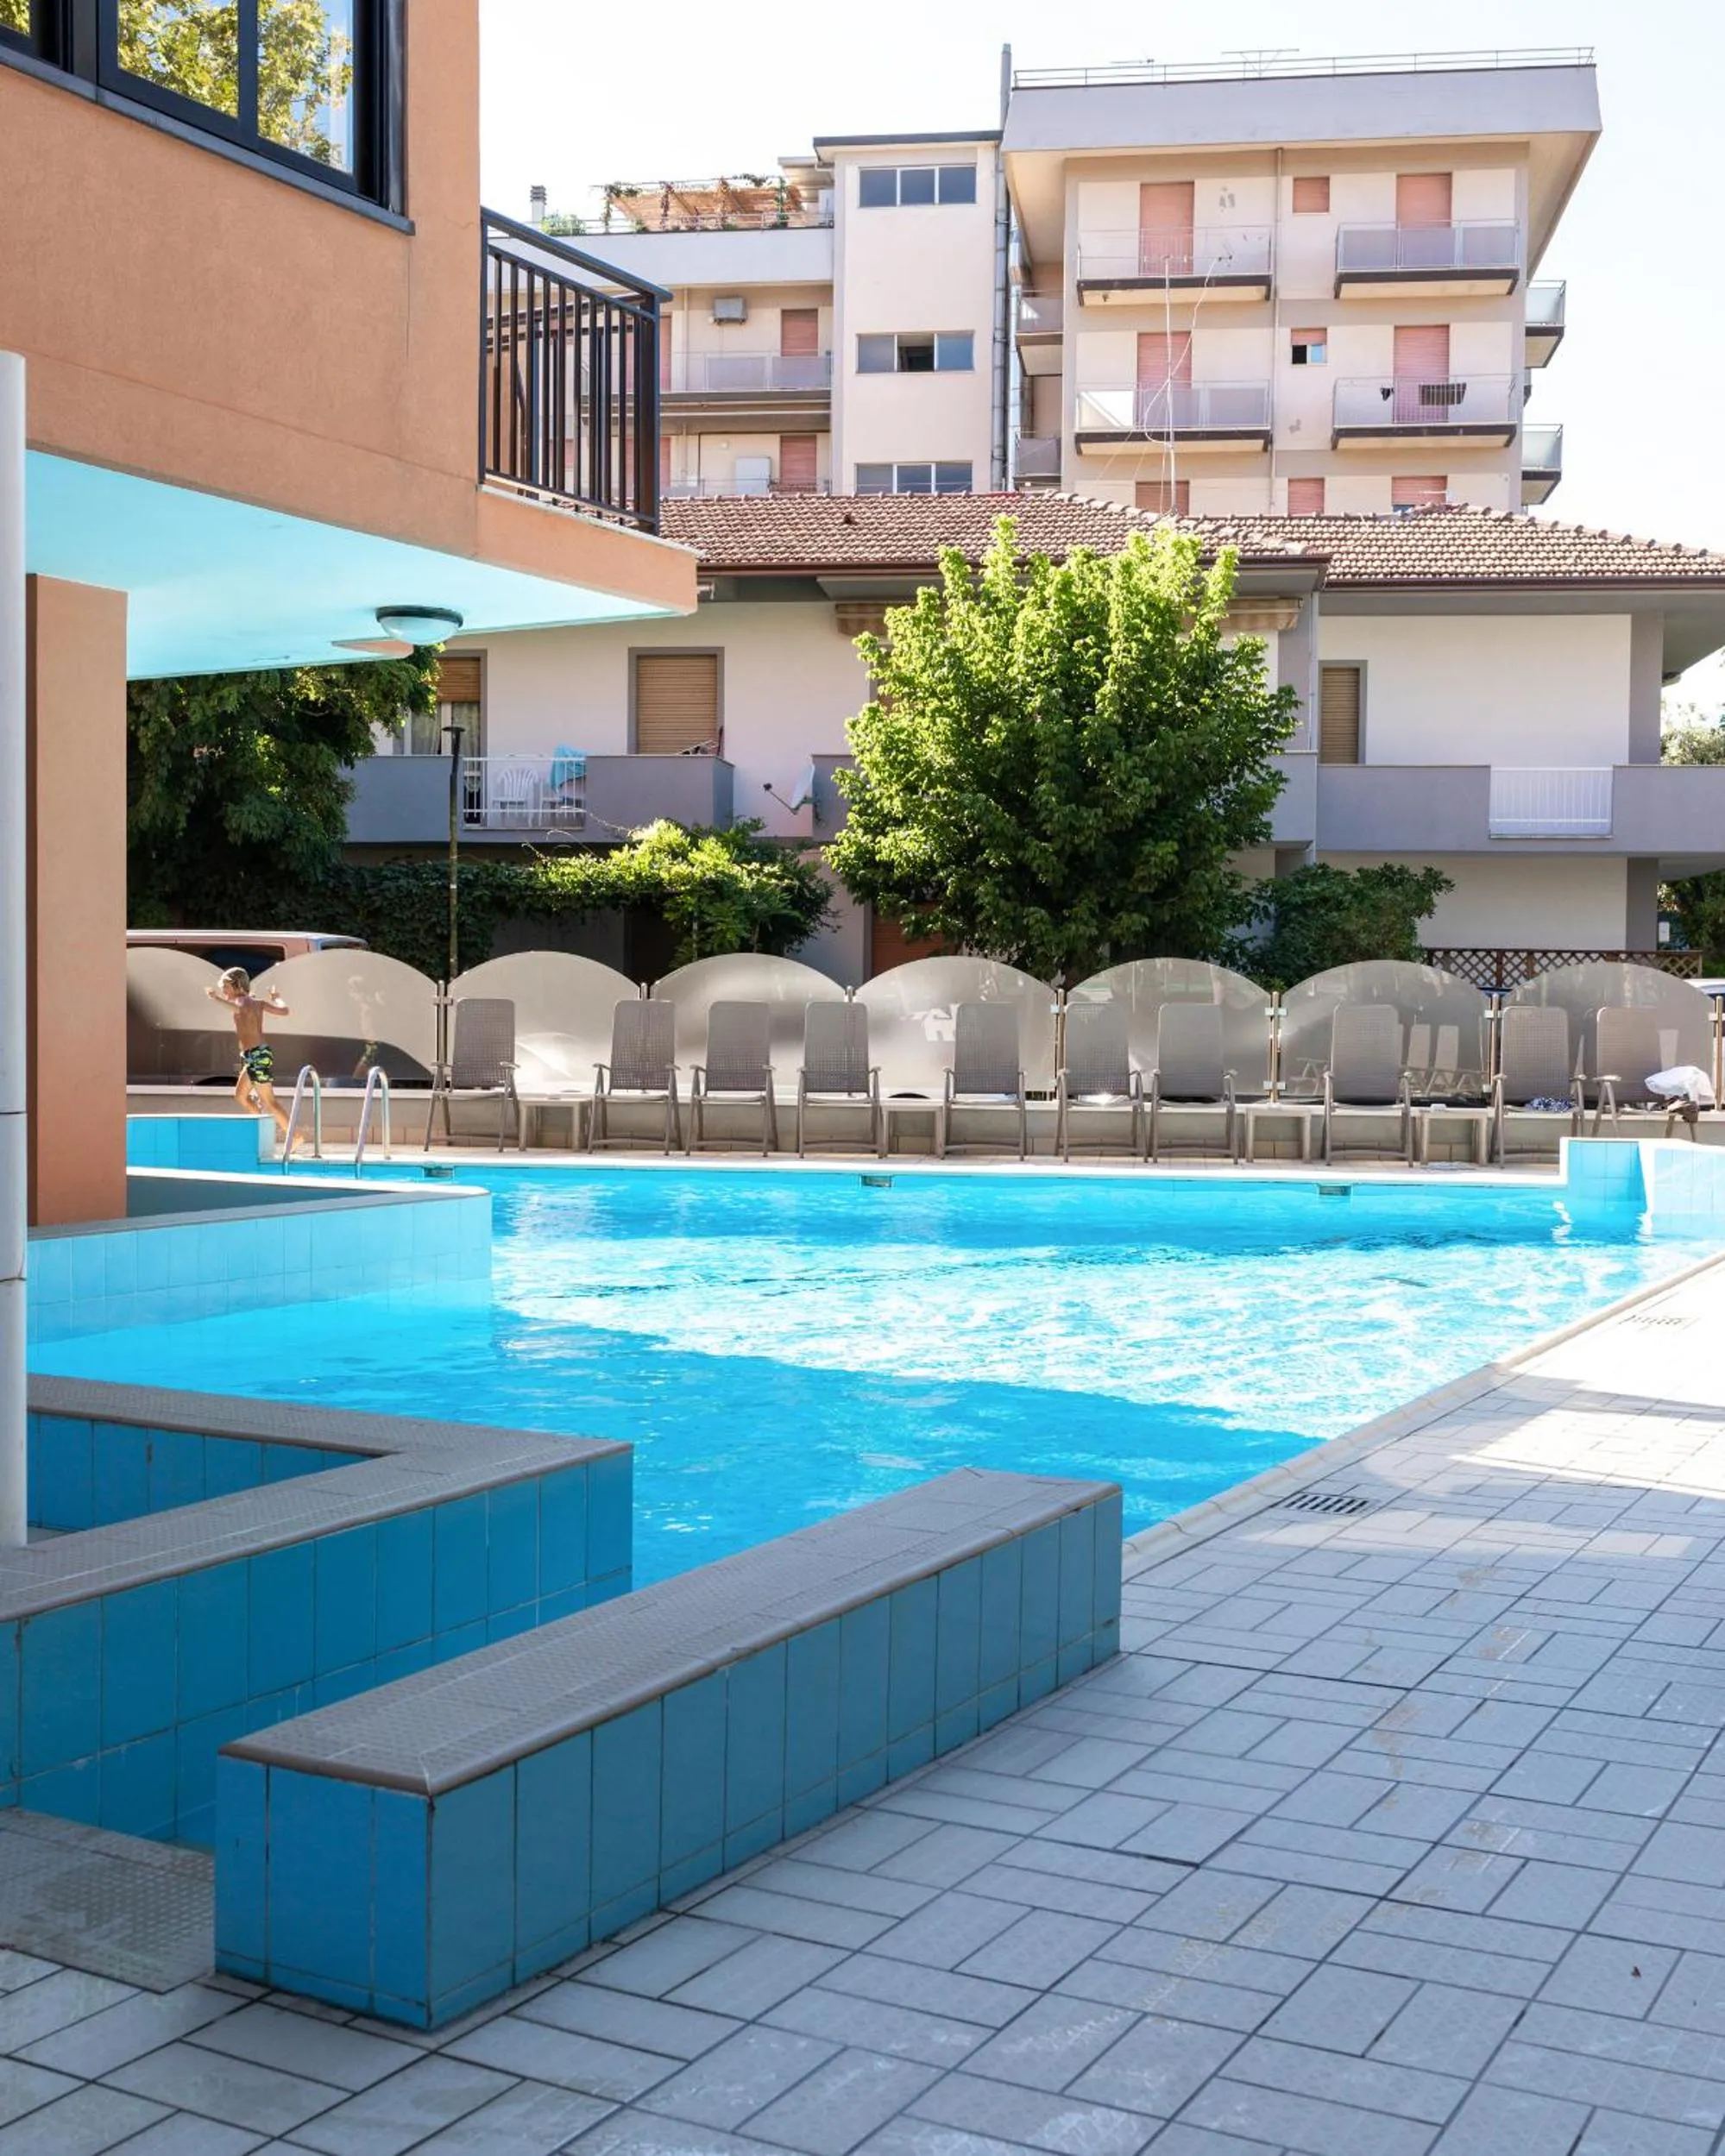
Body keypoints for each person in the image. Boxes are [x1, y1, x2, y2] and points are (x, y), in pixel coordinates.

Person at [207, 967, 298, 1149]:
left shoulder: (243, 1002)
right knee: (241, 1096)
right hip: (254, 1055)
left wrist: (215, 999)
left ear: (237, 985)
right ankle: (258, 1131)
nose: (224, 991)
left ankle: (294, 1137)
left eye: (225, 987)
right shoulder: (257, 1002)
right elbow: (285, 1010)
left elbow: (238, 1008)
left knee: (269, 1101)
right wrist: (276, 997)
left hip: (257, 1056)